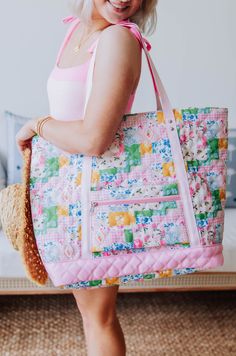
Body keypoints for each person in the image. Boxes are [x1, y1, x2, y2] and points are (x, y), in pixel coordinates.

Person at [15, 1, 158, 355]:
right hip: (70, 197)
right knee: (91, 314)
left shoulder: (119, 39)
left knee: (99, 317)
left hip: (96, 198)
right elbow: (72, 113)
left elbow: (95, 139)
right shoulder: (76, 31)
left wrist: (38, 125)